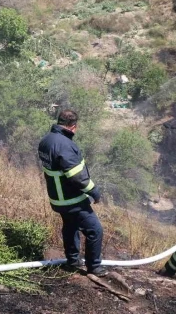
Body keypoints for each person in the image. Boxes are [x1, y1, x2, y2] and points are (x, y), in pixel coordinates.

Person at [38, 110, 106, 276]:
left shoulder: (46, 140)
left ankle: (73, 260)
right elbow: (77, 177)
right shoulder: (65, 145)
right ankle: (94, 267)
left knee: (70, 227)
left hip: (57, 199)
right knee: (95, 230)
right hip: (71, 199)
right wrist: (95, 192)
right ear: (74, 127)